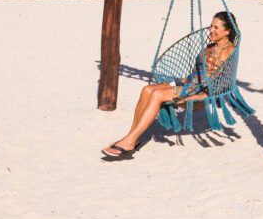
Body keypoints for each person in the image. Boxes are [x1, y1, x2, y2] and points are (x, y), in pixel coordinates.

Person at [102, 11, 238, 160]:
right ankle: (132, 137)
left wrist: (203, 95)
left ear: (227, 31)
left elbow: (224, 80)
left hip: (199, 90)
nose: (211, 30)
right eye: (211, 26)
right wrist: (185, 79)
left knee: (157, 95)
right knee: (147, 89)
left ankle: (129, 141)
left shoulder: (229, 50)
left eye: (216, 28)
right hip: (189, 83)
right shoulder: (211, 46)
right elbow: (199, 70)